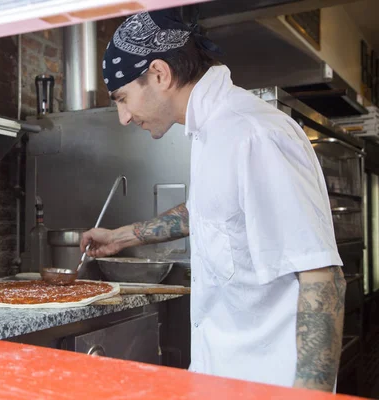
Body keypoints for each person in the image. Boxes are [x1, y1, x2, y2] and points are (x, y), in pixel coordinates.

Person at [80, 9, 346, 393]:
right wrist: (123, 237)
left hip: (268, 384)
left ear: (159, 74)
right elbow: (210, 210)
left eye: (122, 99)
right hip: (219, 376)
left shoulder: (254, 134)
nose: (123, 117)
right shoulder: (210, 131)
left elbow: (322, 277)